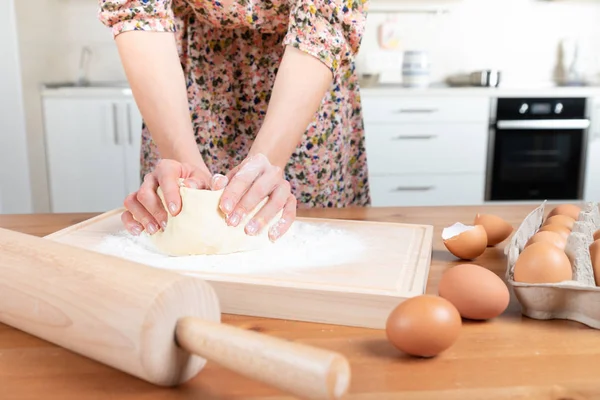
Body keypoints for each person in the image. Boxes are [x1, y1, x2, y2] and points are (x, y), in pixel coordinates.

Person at [98, 0, 370, 243]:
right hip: (185, 87)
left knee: (307, 242)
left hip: (303, 83)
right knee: (176, 216)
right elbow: (138, 12)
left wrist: (264, 164)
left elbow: (322, 21)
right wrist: (185, 167)